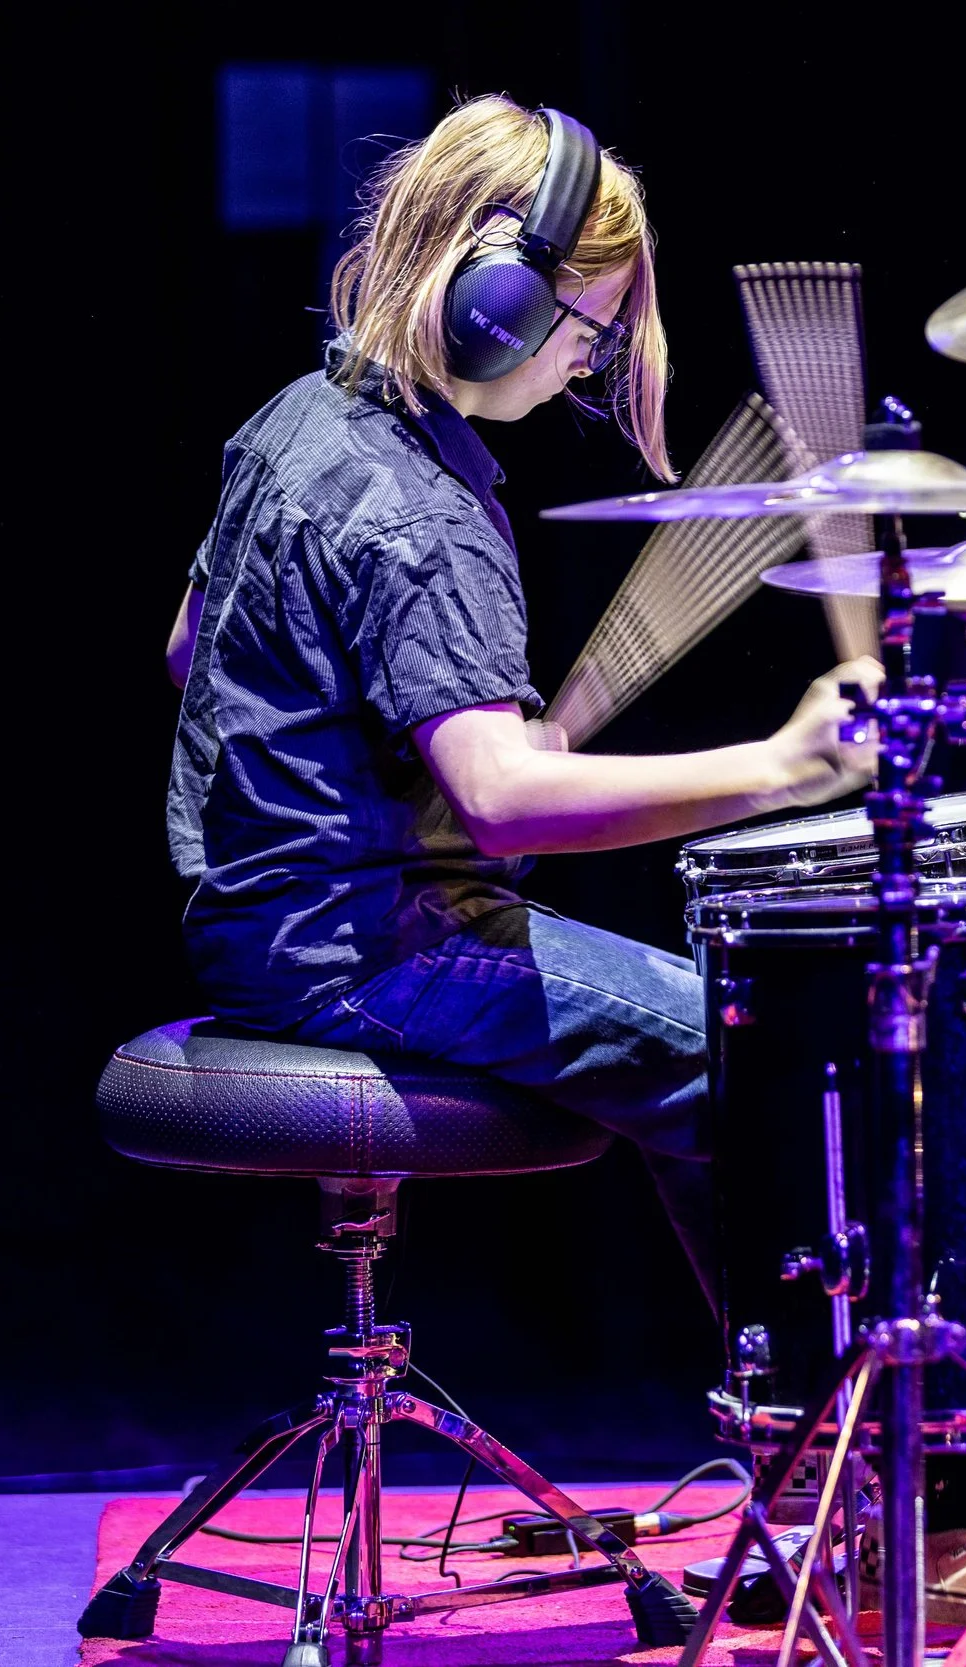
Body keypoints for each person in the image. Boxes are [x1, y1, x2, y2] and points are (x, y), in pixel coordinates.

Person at [163, 95, 877, 1305]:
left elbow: (191, 646)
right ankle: (836, 1451)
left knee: (733, 1036)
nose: (586, 362)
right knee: (764, 1063)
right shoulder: (421, 514)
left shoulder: (297, 418)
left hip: (254, 933)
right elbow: (503, 805)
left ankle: (797, 1425)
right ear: (498, 303)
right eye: (588, 329)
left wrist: (384, 750)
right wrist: (788, 762)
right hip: (370, 955)